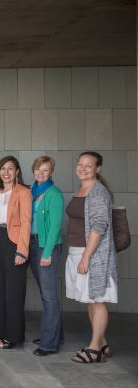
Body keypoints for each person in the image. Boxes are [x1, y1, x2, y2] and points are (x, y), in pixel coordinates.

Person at [67, 151, 117, 364]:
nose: (83, 168)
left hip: (93, 255)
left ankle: (95, 349)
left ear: (97, 169)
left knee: (98, 301)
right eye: (80, 164)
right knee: (90, 300)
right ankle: (102, 343)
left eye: (89, 165)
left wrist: (86, 257)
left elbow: (99, 226)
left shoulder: (97, 192)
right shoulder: (82, 189)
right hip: (77, 251)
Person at [0, 156, 32, 350]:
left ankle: (14, 336)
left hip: (13, 242)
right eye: (3, 168)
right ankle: (1, 333)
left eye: (11, 168)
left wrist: (22, 251)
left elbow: (26, 222)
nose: (6, 172)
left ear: (17, 172)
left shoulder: (23, 192)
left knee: (13, 291)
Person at [28, 156, 64, 356]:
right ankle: (55, 334)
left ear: (51, 172)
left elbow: (55, 227)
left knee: (49, 295)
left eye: (46, 170)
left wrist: (48, 252)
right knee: (46, 293)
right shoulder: (33, 191)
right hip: (33, 244)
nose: (41, 173)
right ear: (34, 171)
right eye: (38, 170)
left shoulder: (54, 193)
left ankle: (49, 343)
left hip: (46, 247)